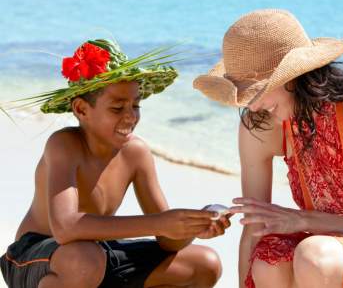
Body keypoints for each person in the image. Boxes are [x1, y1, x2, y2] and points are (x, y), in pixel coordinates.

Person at [193, 9, 343, 287]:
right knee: (269, 260)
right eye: (244, 96)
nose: (252, 106)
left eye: (257, 91)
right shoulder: (260, 126)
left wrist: (304, 220)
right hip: (319, 247)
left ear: (291, 77)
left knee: (314, 255)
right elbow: (255, 227)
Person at [0, 39, 231, 288]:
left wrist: (191, 227)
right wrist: (159, 222)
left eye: (136, 105)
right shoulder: (64, 145)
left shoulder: (136, 153)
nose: (130, 116)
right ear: (81, 109)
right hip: (36, 257)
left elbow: (167, 240)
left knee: (205, 263)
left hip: (95, 254)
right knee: (84, 260)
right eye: (117, 107)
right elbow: (65, 228)